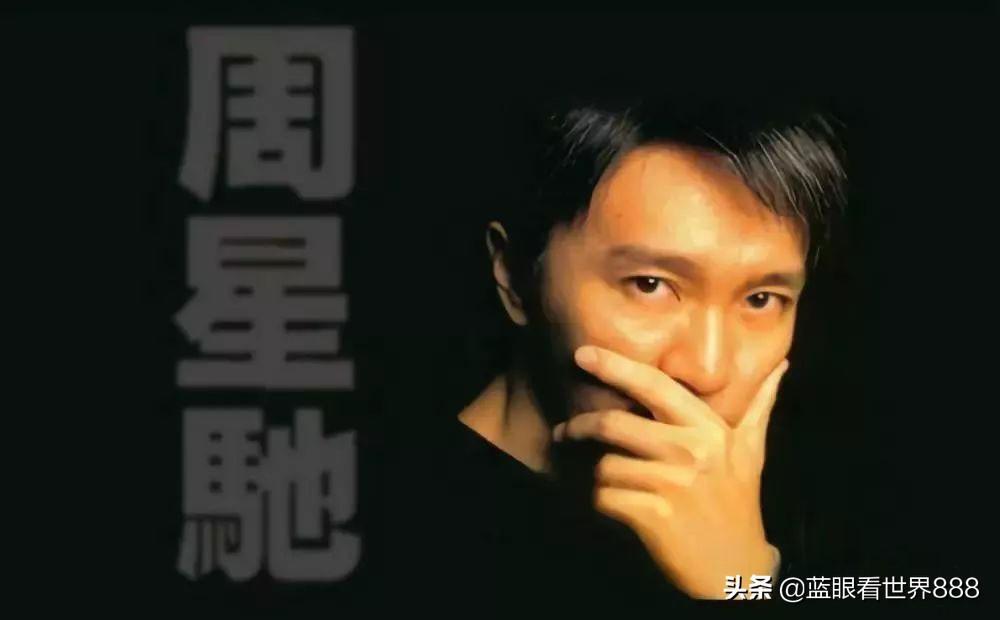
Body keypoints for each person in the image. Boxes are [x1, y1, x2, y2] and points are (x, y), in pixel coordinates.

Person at [386, 97, 848, 607]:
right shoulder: (392, 535)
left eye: (761, 299)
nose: (707, 370)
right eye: (649, 285)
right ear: (515, 276)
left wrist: (749, 578)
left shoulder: (820, 504)